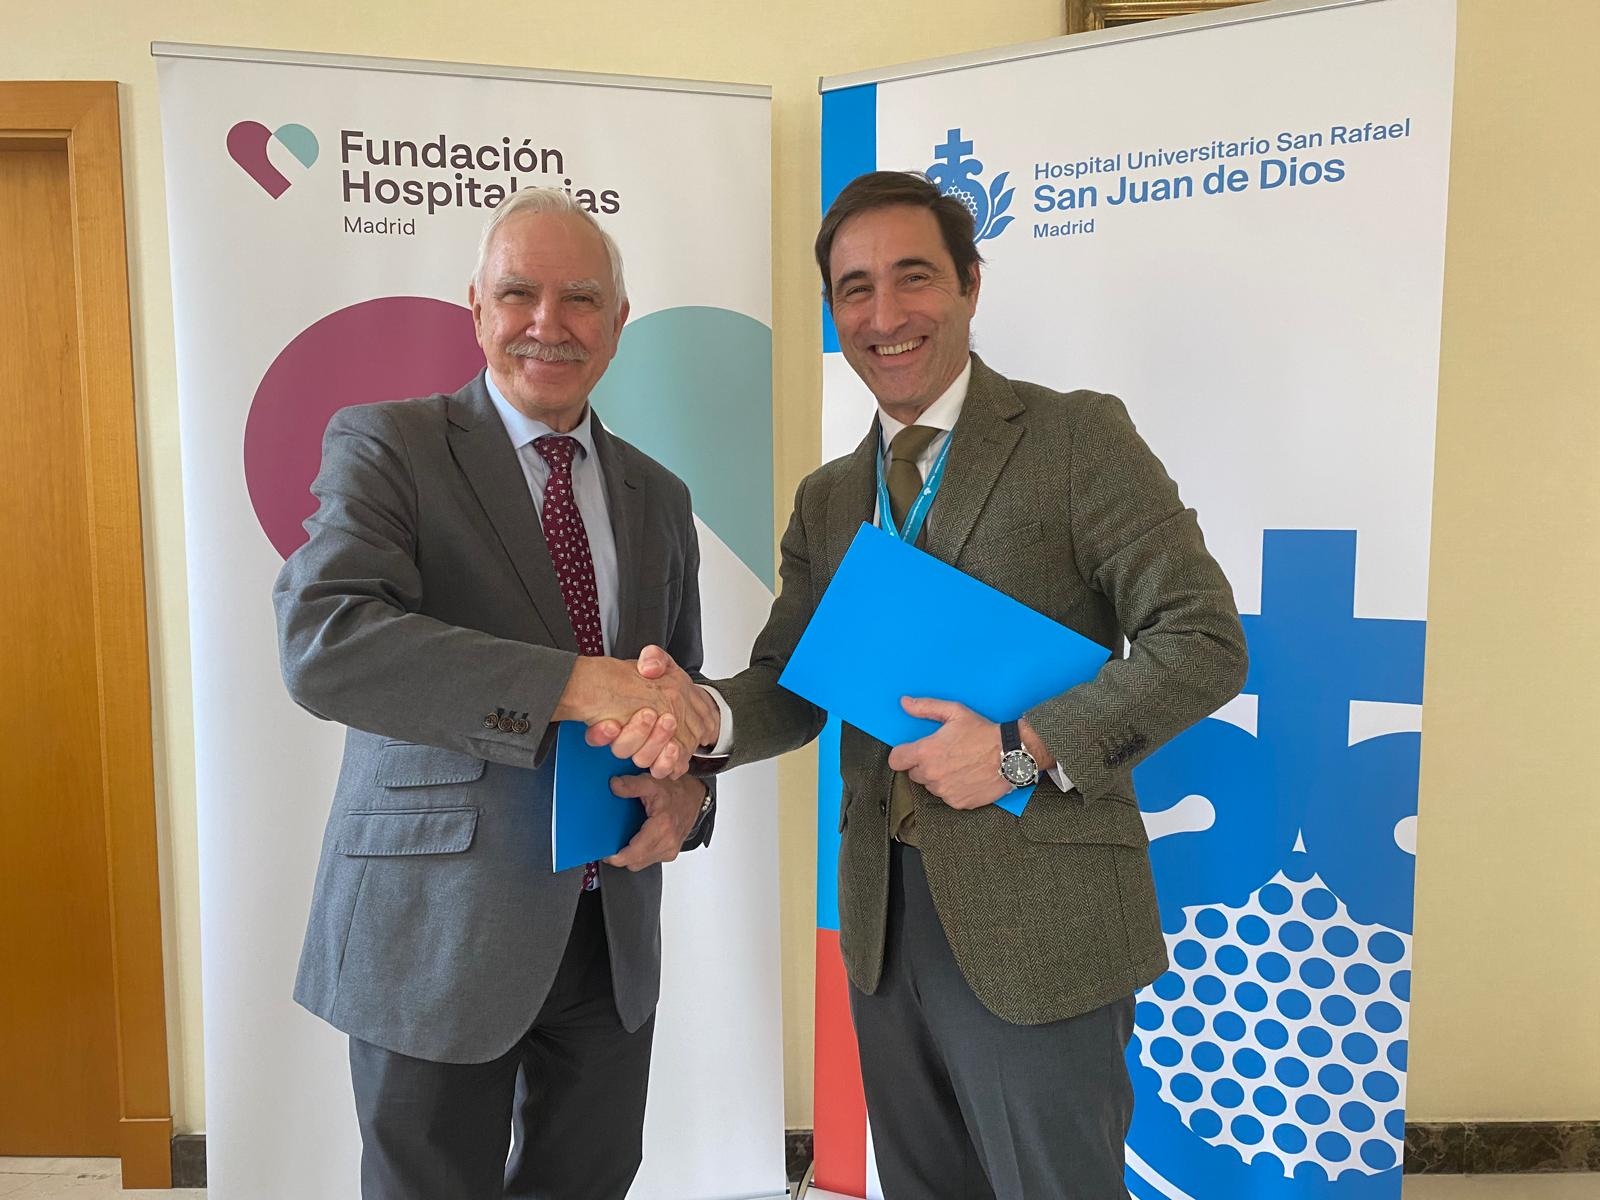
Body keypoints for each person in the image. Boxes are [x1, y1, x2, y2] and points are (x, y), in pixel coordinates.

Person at [596, 171, 1249, 1198]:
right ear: (833, 312)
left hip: (1043, 922)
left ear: (969, 284)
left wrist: (1018, 750)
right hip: (885, 928)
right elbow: (791, 682)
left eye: (914, 277)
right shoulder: (828, 498)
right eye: (854, 289)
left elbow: (1204, 640)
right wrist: (703, 712)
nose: (885, 314)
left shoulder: (1076, 440)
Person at [273, 187, 720, 1200]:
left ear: (617, 322)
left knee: (590, 1180)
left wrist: (689, 795)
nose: (547, 322)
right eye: (519, 293)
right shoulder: (389, 445)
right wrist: (573, 683)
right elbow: (324, 642)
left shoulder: (659, 495)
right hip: (437, 927)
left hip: (608, 930)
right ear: (475, 306)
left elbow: (679, 694)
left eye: (581, 298)